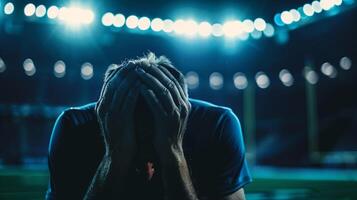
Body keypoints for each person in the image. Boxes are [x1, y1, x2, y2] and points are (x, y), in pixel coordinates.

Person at [46, 53, 252, 200]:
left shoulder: (218, 126)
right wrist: (115, 156)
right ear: (111, 117)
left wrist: (172, 151)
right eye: (138, 127)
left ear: (181, 115)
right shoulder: (73, 127)